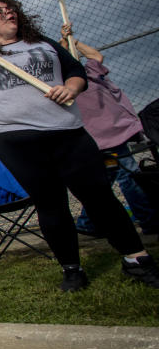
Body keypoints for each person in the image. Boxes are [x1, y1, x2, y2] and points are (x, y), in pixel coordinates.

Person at [0, 0, 159, 291]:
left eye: (11, 9)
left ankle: (136, 260)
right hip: (13, 139)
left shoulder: (43, 43)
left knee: (98, 197)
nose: (8, 13)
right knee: (50, 203)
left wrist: (70, 87)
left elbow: (76, 72)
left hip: (66, 132)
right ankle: (71, 270)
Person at [58, 24, 157, 237]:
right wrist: (67, 42)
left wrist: (72, 41)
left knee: (107, 179)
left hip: (110, 135)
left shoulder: (88, 74)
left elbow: (95, 56)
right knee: (128, 176)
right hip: (104, 137)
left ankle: (87, 222)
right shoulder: (63, 86)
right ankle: (148, 220)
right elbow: (90, 56)